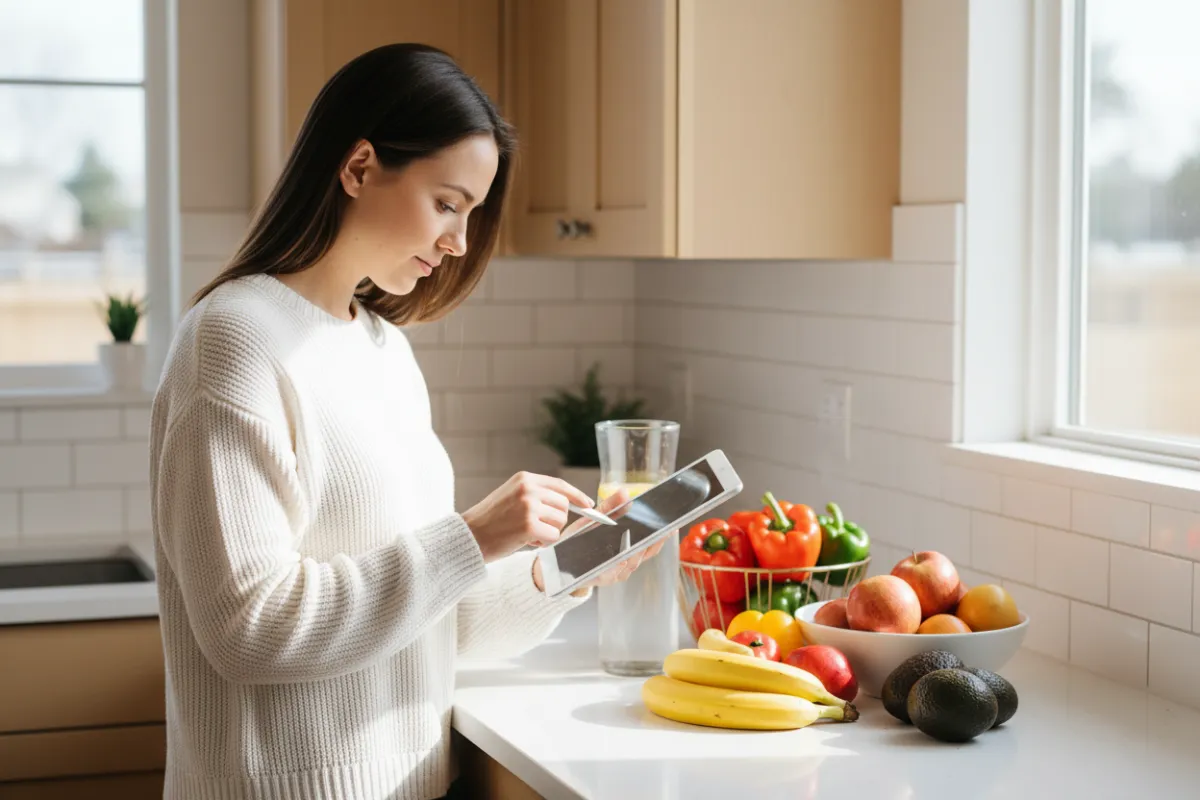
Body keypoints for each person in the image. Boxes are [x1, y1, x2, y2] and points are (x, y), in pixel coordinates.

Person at [149, 43, 660, 800]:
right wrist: (475, 535)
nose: (458, 241)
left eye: (471, 212)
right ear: (358, 168)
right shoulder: (233, 340)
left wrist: (572, 567)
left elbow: (432, 631)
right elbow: (249, 631)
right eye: (447, 202)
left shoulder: (383, 348)